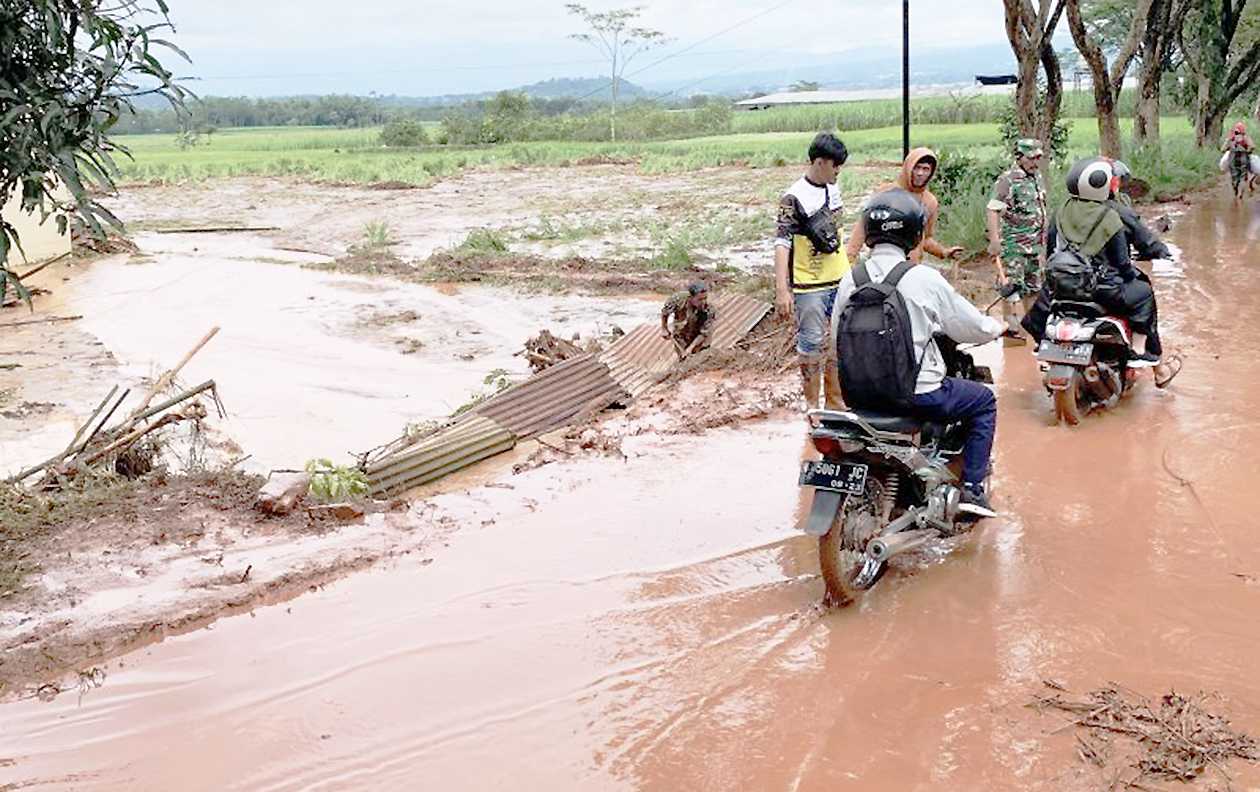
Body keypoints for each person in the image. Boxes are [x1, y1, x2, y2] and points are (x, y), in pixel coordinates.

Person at [830, 189, 1005, 512]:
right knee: (983, 402)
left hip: (859, 396)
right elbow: (968, 326)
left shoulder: (849, 279)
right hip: (918, 393)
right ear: (914, 232)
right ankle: (972, 490)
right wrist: (997, 328)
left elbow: (834, 342)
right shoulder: (923, 277)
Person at [1022, 157, 1179, 386]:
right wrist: (1162, 255)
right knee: (1144, 293)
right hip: (1102, 289)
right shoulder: (1116, 214)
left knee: (1040, 310)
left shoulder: (1060, 211)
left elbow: (1050, 254)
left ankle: (1043, 343)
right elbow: (1129, 261)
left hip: (1062, 287)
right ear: (1106, 184)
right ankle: (1146, 359)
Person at [774, 132, 850, 410]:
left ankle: (835, 403)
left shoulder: (834, 189)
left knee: (837, 341)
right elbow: (782, 243)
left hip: (840, 279)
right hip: (810, 286)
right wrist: (782, 290)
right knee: (811, 343)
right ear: (819, 162)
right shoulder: (793, 198)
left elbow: (840, 233)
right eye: (835, 165)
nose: (838, 170)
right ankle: (811, 406)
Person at [844, 147, 965, 264]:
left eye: (925, 169)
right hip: (883, 263)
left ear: (931, 172)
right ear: (908, 167)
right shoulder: (884, 193)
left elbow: (925, 238)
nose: (920, 173)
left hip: (911, 268)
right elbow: (862, 227)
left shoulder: (929, 201)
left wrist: (943, 252)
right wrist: (850, 258)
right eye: (916, 168)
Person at [986, 139, 1048, 346]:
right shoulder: (1008, 180)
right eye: (1031, 158)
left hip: (1035, 247)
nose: (1034, 162)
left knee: (1034, 289)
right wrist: (994, 241)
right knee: (1011, 290)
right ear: (1019, 157)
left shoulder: (1036, 177)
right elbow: (993, 209)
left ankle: (1032, 334)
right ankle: (1012, 336)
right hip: (1014, 247)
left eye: (1037, 158)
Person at [660, 281, 716, 360]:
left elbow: (704, 333)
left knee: (700, 356)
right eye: (700, 299)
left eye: (705, 298)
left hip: (699, 334)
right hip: (682, 332)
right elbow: (665, 312)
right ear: (690, 297)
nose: (703, 302)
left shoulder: (709, 309)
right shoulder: (677, 299)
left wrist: (690, 349)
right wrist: (664, 328)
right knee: (683, 358)